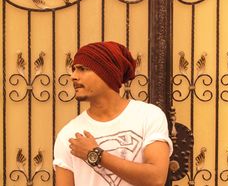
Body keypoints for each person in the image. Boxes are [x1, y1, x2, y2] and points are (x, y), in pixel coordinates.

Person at [53, 41, 173, 186]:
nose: (73, 76)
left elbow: (156, 179)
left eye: (83, 69)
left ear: (107, 73)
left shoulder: (148, 116)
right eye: (74, 69)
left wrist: (96, 154)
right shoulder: (69, 134)